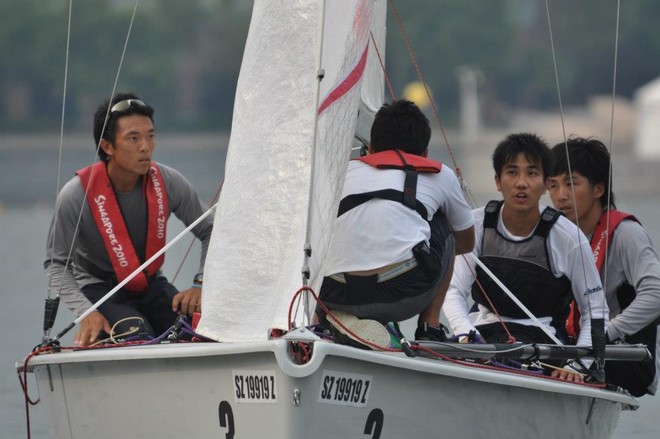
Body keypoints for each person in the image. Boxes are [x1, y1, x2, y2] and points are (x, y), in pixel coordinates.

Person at [44, 92, 214, 346]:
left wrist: (201, 284)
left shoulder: (169, 182)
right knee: (134, 334)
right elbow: (56, 265)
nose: (145, 146)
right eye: (133, 138)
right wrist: (86, 313)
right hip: (100, 290)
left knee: (199, 331)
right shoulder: (75, 195)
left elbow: (211, 231)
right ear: (108, 146)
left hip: (151, 285)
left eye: (150, 136)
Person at [443, 133, 608, 382]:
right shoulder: (476, 226)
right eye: (512, 172)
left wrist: (578, 365)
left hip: (547, 348)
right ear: (498, 182)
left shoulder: (568, 237)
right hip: (482, 343)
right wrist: (466, 333)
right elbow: (452, 291)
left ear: (544, 185)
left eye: (532, 173)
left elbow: (596, 310)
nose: (521, 183)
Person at [317, 99, 475, 348]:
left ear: (370, 147)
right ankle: (429, 327)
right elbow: (465, 243)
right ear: (424, 153)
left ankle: (321, 319)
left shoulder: (340, 172)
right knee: (446, 228)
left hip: (334, 294)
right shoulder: (440, 174)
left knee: (323, 230)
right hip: (403, 294)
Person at [548, 137, 660, 396]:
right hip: (579, 349)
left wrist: (602, 333)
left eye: (571, 184)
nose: (560, 196)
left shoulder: (626, 234)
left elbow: (656, 294)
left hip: (625, 358)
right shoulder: (562, 238)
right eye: (552, 186)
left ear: (598, 189)